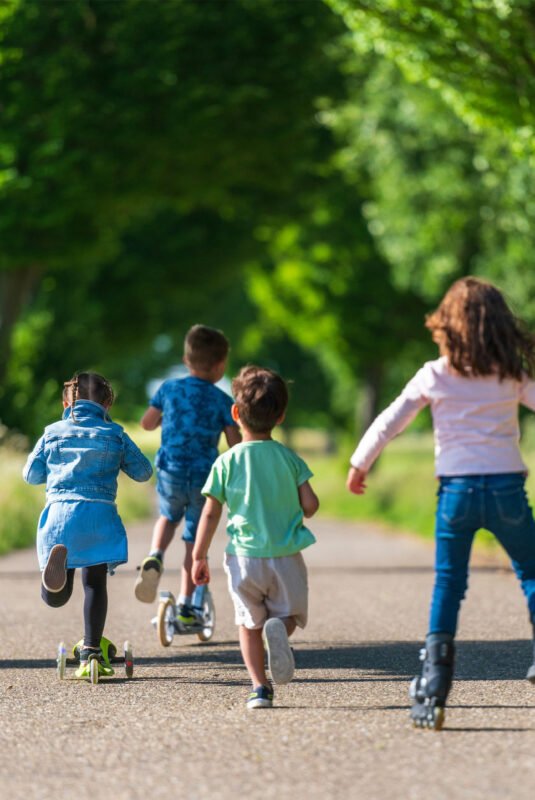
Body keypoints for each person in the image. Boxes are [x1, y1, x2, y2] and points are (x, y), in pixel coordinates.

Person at [346, 276, 535, 729]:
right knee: (532, 572)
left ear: (446, 325)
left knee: (449, 584)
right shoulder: (510, 373)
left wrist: (359, 463)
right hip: (507, 488)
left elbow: (391, 420)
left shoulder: (434, 373)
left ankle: (434, 683)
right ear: (499, 326)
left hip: (456, 493)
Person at [192, 365, 319, 709]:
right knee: (287, 615)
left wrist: (198, 555)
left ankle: (259, 688)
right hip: (286, 555)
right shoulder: (289, 458)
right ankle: (279, 628)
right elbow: (310, 505)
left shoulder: (226, 462)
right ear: (281, 416)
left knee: (248, 625)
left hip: (243, 558)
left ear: (235, 414)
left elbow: (210, 512)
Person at [23, 371, 153, 677]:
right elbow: (144, 472)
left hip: (59, 516)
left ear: (67, 401)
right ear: (107, 403)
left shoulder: (52, 431)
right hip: (98, 516)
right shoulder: (115, 434)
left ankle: (52, 587)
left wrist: (55, 471)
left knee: (59, 595)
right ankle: (92, 650)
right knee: (95, 584)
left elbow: (30, 475)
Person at [135, 324, 241, 625]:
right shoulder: (223, 401)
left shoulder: (168, 389)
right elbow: (235, 445)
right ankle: (186, 607)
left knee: (168, 516)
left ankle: (155, 554)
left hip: (171, 469)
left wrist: (165, 420)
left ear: (186, 360)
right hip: (204, 477)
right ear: (221, 366)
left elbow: (146, 423)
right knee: (195, 542)